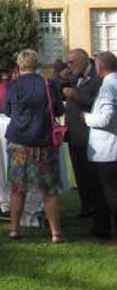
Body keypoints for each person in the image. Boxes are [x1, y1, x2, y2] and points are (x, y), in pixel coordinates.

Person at [4, 49, 65, 242]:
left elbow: (7, 111)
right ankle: (55, 232)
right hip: (44, 143)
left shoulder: (13, 86)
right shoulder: (48, 84)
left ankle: (14, 229)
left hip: (20, 143)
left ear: (20, 65)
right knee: (49, 189)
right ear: (36, 65)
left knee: (17, 187)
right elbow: (58, 109)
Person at [62, 48, 103, 224]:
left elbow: (97, 103)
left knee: (91, 175)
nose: (69, 66)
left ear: (84, 60)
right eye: (67, 63)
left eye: (71, 62)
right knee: (80, 175)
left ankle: (96, 210)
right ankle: (85, 207)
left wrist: (75, 95)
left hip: (87, 135)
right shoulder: (75, 76)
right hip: (73, 133)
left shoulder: (97, 78)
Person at [82, 51, 117, 244]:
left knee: (110, 193)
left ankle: (112, 231)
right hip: (112, 146)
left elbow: (105, 118)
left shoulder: (108, 87)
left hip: (107, 148)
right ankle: (102, 227)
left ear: (99, 68)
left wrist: (87, 118)